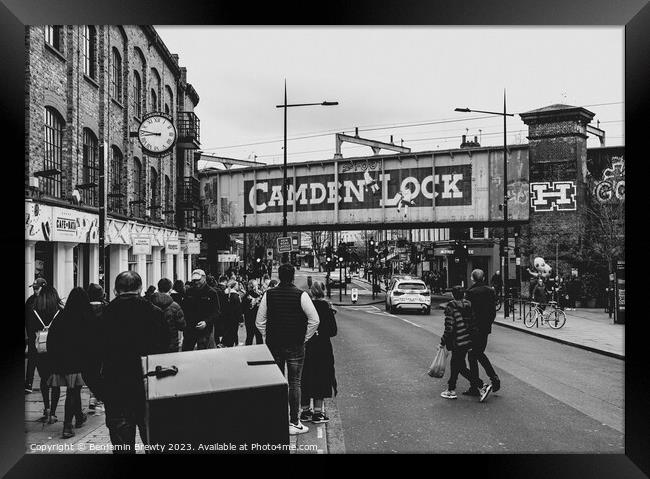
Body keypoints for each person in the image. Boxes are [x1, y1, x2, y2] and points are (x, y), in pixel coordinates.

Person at [83, 271, 169, 454]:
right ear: (140, 289)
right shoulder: (155, 314)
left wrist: (101, 390)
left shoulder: (102, 316)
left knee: (122, 448)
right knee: (154, 444)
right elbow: (166, 355)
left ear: (115, 290)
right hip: (148, 389)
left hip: (116, 391)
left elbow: (89, 361)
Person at [256, 263, 319, 435]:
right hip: (295, 345)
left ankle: (277, 420)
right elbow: (315, 320)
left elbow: (259, 322)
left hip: (274, 344)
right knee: (295, 383)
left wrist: (267, 336)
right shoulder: (302, 295)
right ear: (292, 276)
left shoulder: (268, 294)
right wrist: (304, 337)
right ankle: (294, 422)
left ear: (279, 275)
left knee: (277, 383)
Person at [47, 287, 94, 438]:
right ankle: (67, 425)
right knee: (73, 391)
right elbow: (92, 340)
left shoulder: (61, 316)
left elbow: (51, 339)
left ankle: (79, 416)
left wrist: (53, 359)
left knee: (75, 390)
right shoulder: (86, 317)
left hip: (61, 360)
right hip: (77, 360)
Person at [439, 286, 491, 402]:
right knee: (458, 366)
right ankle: (451, 389)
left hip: (457, 341)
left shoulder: (451, 308)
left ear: (453, 295)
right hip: (467, 340)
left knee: (458, 366)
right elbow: (473, 323)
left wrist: (442, 342)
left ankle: (481, 385)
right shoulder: (468, 306)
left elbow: (449, 327)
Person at [300, 282, 338, 424]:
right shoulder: (327, 308)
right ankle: (318, 413)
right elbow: (333, 331)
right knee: (321, 376)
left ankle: (304, 411)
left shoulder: (305, 307)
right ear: (323, 291)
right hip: (322, 347)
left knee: (305, 376)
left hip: (307, 346)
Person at [26, 284, 63, 424]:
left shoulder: (34, 311)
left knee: (43, 379)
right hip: (56, 350)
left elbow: (30, 330)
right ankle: (53, 413)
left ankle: (46, 408)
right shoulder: (59, 311)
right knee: (55, 381)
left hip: (40, 350)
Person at [465, 269, 501, 396]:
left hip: (474, 329)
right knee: (478, 353)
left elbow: (468, 313)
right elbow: (493, 311)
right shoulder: (490, 291)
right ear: (484, 278)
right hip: (485, 328)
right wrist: (488, 324)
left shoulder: (470, 292)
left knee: (473, 356)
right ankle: (492, 378)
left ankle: (476, 386)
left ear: (472, 278)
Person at [181, 269, 220, 351]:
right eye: (194, 280)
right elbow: (184, 309)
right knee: (186, 352)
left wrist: (206, 322)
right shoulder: (189, 292)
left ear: (204, 278)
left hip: (205, 329)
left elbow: (216, 312)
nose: (196, 282)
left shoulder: (212, 293)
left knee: (203, 353)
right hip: (190, 328)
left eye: (198, 280)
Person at [87, 283, 107, 414]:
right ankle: (99, 398)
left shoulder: (83, 308)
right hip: (103, 345)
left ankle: (93, 397)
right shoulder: (107, 307)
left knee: (91, 372)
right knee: (102, 372)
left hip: (88, 346)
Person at [151, 278, 186, 353]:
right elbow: (182, 325)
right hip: (171, 344)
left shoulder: (149, 303)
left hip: (153, 343)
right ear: (170, 290)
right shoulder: (175, 306)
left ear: (158, 288)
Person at [25, 277, 47, 393]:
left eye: (37, 288)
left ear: (43, 288)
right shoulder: (30, 301)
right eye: (34, 288)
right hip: (35, 335)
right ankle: (28, 384)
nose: (35, 290)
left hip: (42, 336)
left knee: (37, 360)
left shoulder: (34, 301)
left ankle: (30, 384)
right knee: (33, 359)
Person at [221, 279, 243, 347]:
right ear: (234, 286)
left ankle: (225, 343)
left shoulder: (225, 294)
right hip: (234, 318)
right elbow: (238, 309)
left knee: (227, 331)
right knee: (233, 331)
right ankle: (229, 345)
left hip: (226, 316)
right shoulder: (236, 296)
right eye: (237, 285)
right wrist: (241, 320)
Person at [242, 280, 263, 345]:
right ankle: (260, 351)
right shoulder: (261, 295)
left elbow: (242, 308)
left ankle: (248, 351)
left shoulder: (246, 296)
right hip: (258, 318)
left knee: (249, 336)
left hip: (249, 319)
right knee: (259, 336)